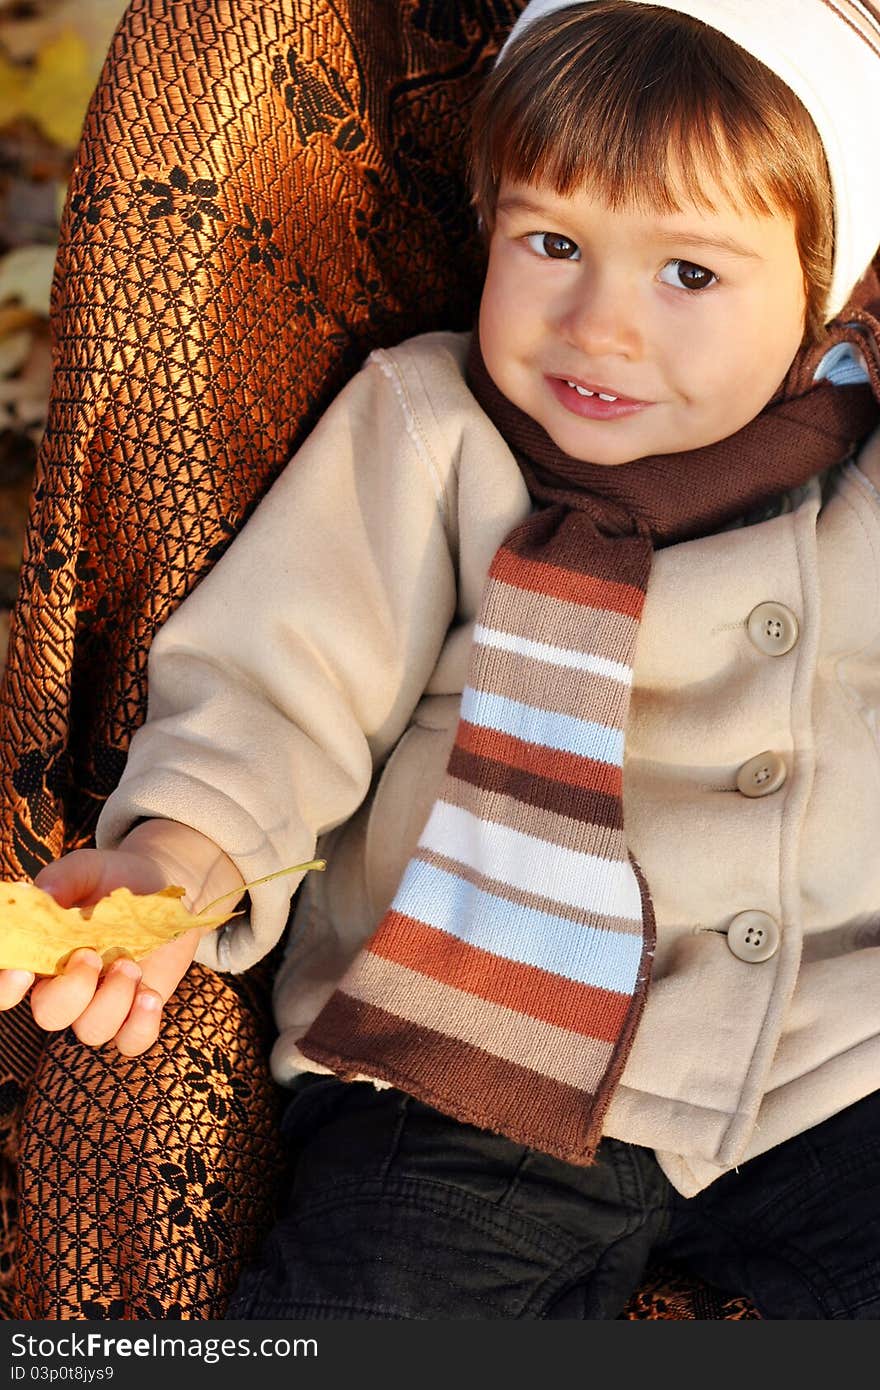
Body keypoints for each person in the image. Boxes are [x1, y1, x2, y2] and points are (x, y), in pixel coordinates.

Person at [2, 0, 880, 1318]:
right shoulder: (434, 427)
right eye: (553, 242)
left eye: (688, 274)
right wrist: (175, 859)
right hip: (473, 1055)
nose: (601, 324)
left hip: (831, 1055)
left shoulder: (857, 470)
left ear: (819, 289)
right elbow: (282, 682)